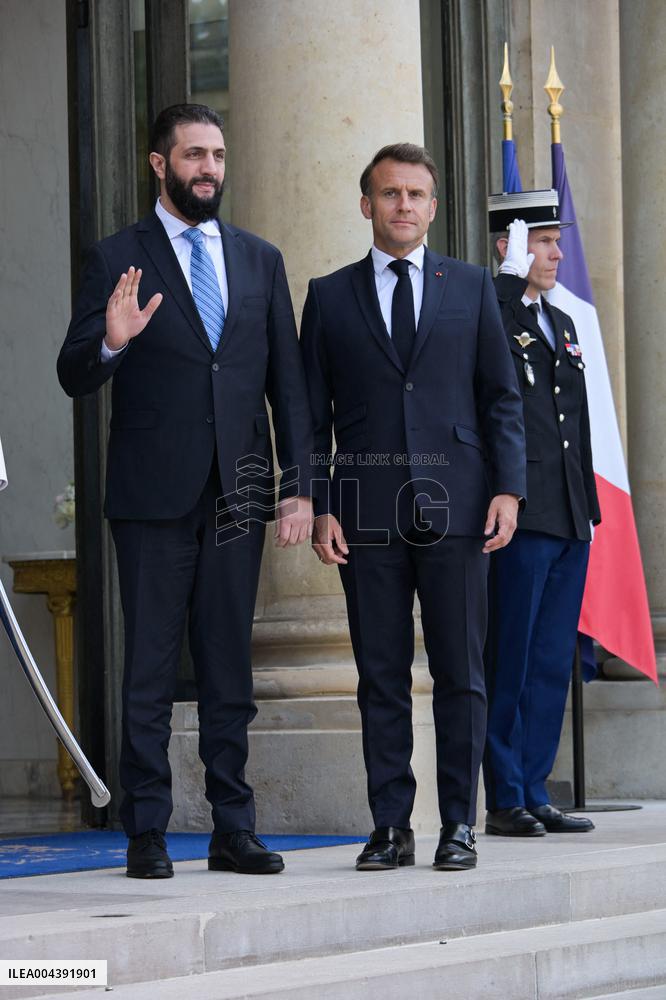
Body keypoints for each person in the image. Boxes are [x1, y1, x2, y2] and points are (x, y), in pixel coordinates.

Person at [58, 104, 314, 878]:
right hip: (149, 498)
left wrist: (298, 489)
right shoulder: (115, 257)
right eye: (195, 155)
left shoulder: (260, 258)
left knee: (228, 666)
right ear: (159, 164)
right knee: (150, 667)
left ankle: (234, 828)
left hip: (237, 496)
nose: (210, 168)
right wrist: (111, 339)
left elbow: (289, 387)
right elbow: (73, 373)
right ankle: (146, 831)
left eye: (219, 155)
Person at [300, 143, 526, 871]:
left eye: (416, 195)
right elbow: (310, 416)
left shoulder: (469, 288)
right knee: (381, 671)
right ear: (367, 205)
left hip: (459, 505)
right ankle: (390, 826)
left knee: (461, 670)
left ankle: (458, 823)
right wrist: (321, 502)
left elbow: (501, 397)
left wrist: (508, 488)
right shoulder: (329, 296)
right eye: (390, 194)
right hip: (364, 512)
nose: (404, 206)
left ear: (433, 206)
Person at [483, 190, 600, 837]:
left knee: (554, 658)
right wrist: (506, 281)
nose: (557, 253)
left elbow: (572, 426)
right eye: (544, 241)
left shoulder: (563, 323)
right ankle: (504, 794)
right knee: (513, 655)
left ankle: (535, 783)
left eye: (556, 241)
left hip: (567, 515)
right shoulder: (494, 311)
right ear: (509, 246)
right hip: (521, 517)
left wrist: (588, 509)